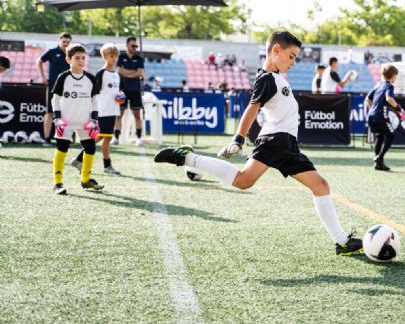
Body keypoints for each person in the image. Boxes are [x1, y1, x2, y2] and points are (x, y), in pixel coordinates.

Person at [154, 30, 363, 256]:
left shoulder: (277, 77)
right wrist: (238, 138)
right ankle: (341, 241)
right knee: (308, 185)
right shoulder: (267, 78)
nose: (294, 61)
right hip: (276, 140)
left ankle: (186, 157)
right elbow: (252, 108)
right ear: (276, 50)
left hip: (284, 142)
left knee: (251, 181)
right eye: (291, 56)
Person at [50, 44, 104, 195]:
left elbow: (94, 101)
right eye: (77, 58)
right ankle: (58, 183)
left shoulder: (90, 79)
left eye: (83, 58)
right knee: (62, 148)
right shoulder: (63, 77)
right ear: (69, 59)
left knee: (91, 148)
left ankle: (86, 180)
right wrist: (58, 118)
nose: (81, 61)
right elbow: (55, 100)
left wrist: (94, 119)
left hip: (84, 121)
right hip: (65, 121)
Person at [71, 43, 123, 175]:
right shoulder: (101, 73)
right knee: (103, 138)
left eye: (116, 55)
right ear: (104, 56)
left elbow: (117, 92)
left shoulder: (116, 74)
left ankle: (79, 160)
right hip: (103, 111)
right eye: (111, 56)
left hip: (113, 110)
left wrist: (121, 96)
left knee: (103, 138)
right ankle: (105, 165)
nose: (114, 58)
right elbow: (94, 91)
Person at [365, 64, 405, 171]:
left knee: (380, 137)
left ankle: (378, 164)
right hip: (380, 116)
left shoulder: (377, 85)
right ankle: (379, 157)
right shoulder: (389, 85)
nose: (395, 78)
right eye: (395, 76)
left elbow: (367, 100)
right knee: (391, 136)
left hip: (371, 115)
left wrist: (373, 109)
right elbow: (389, 98)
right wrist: (399, 108)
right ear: (393, 76)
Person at [36, 32, 72, 146]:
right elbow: (39, 61)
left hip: (68, 86)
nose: (66, 44)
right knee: (50, 112)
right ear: (59, 41)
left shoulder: (71, 54)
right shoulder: (52, 52)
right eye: (64, 42)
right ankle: (46, 139)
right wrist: (42, 76)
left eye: (68, 42)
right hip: (53, 86)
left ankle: (63, 138)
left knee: (66, 113)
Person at [114, 37, 146, 146]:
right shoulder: (121, 56)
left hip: (135, 90)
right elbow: (119, 70)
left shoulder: (139, 58)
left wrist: (126, 73)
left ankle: (139, 138)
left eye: (136, 46)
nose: (135, 48)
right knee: (119, 115)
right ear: (127, 45)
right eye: (133, 46)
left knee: (137, 115)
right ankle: (116, 138)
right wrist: (133, 72)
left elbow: (140, 73)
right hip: (122, 90)